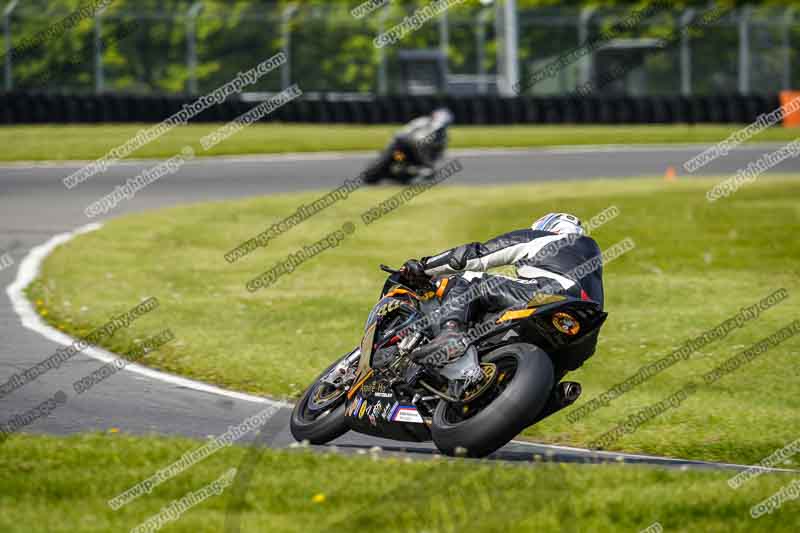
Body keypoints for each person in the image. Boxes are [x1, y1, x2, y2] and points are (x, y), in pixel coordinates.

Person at [399, 212, 605, 418]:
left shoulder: (548, 238)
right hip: (584, 336)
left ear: (548, 227)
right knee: (550, 374)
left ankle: (450, 332)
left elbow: (475, 255)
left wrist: (425, 267)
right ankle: (548, 399)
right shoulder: (594, 269)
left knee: (471, 279)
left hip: (547, 296)